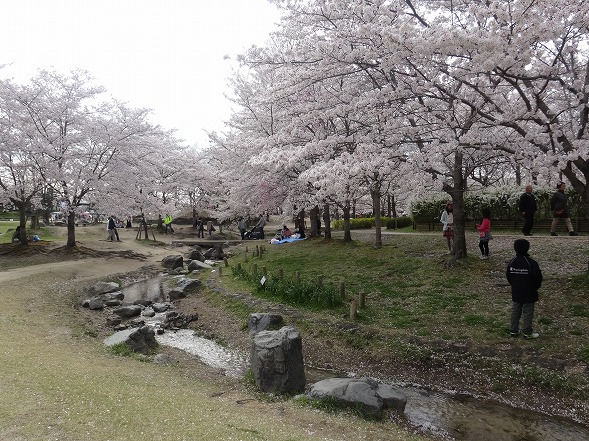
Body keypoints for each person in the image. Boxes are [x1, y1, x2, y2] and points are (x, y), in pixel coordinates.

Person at [506, 239, 543, 339]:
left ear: (515, 248)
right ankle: (527, 332)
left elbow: (508, 276)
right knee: (528, 312)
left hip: (516, 291)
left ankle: (513, 330)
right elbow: (538, 278)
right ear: (527, 248)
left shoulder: (512, 262)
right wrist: (535, 287)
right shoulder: (531, 263)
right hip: (529, 291)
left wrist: (515, 285)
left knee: (515, 310)